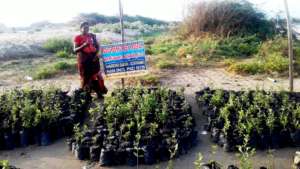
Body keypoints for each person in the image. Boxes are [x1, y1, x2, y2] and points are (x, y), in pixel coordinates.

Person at [73, 21, 107, 98]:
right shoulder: (77, 37)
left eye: (88, 28)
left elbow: (98, 46)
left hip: (94, 59)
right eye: (85, 28)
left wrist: (96, 55)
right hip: (84, 60)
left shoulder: (92, 36)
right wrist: (84, 45)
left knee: (97, 76)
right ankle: (86, 95)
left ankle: (99, 92)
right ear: (81, 28)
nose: (86, 29)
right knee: (86, 77)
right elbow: (75, 50)